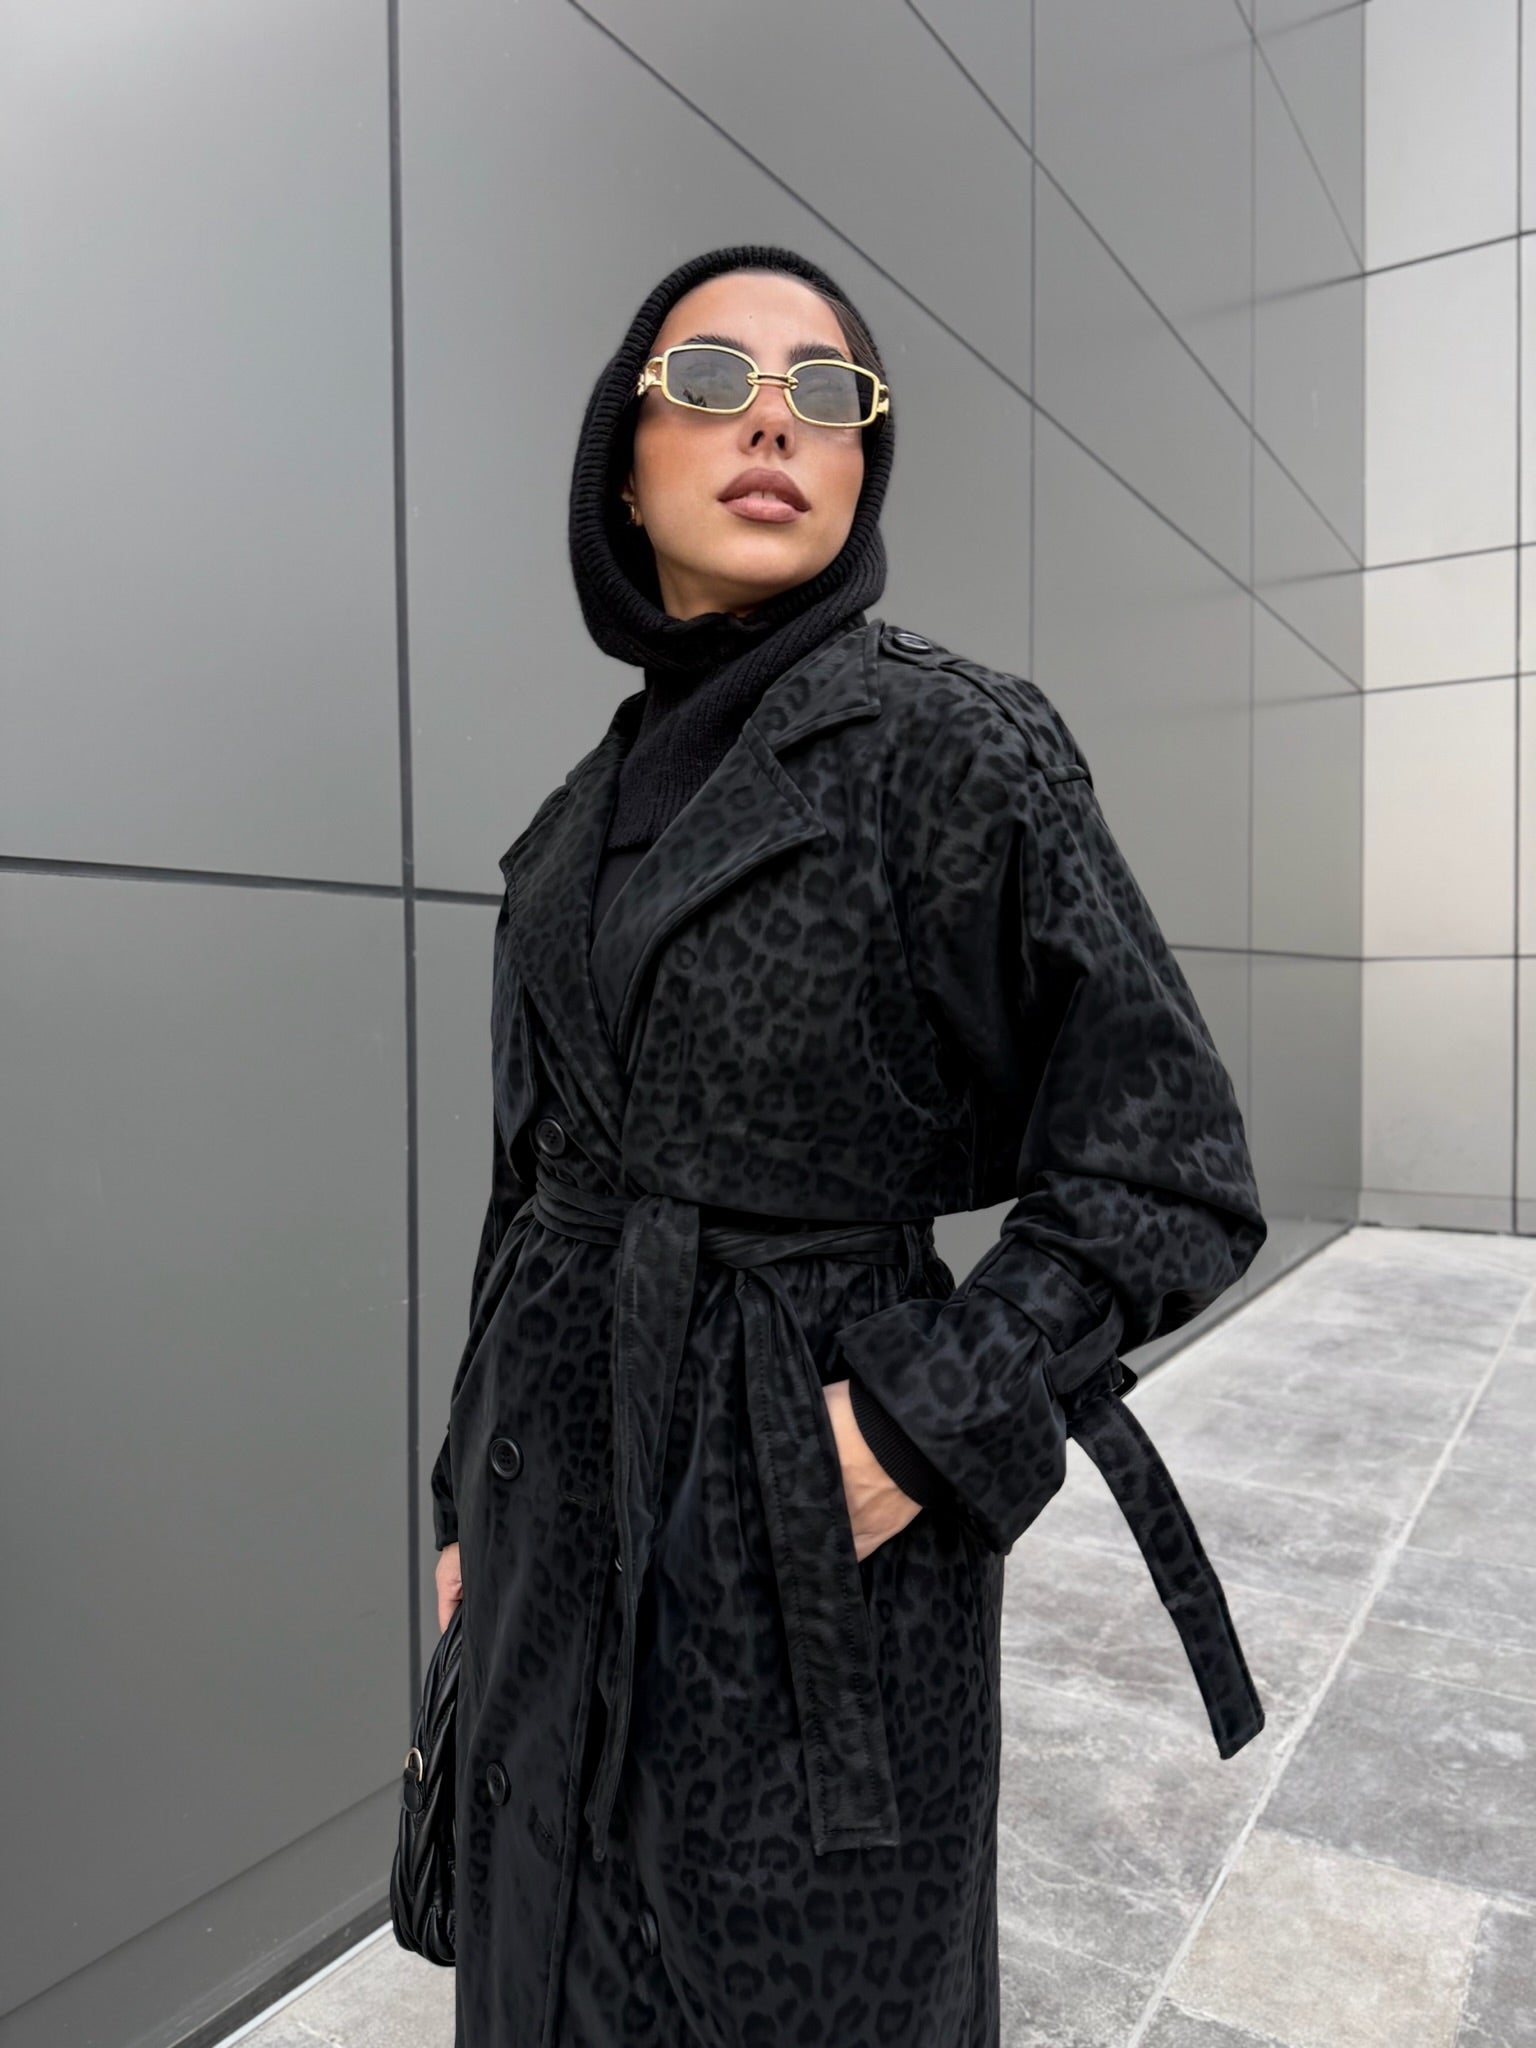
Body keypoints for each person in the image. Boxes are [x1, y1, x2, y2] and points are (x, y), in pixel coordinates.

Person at [427, 243, 1268, 2048]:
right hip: (547, 1521)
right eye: (713, 382)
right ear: (624, 461)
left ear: (865, 462)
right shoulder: (563, 834)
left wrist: (916, 1424)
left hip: (805, 1529)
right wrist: (463, 1499)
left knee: (797, 1982)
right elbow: (523, 1201)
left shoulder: (953, 750)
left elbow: (1170, 1165)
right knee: (542, 1966)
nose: (774, 425)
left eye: (827, 394)